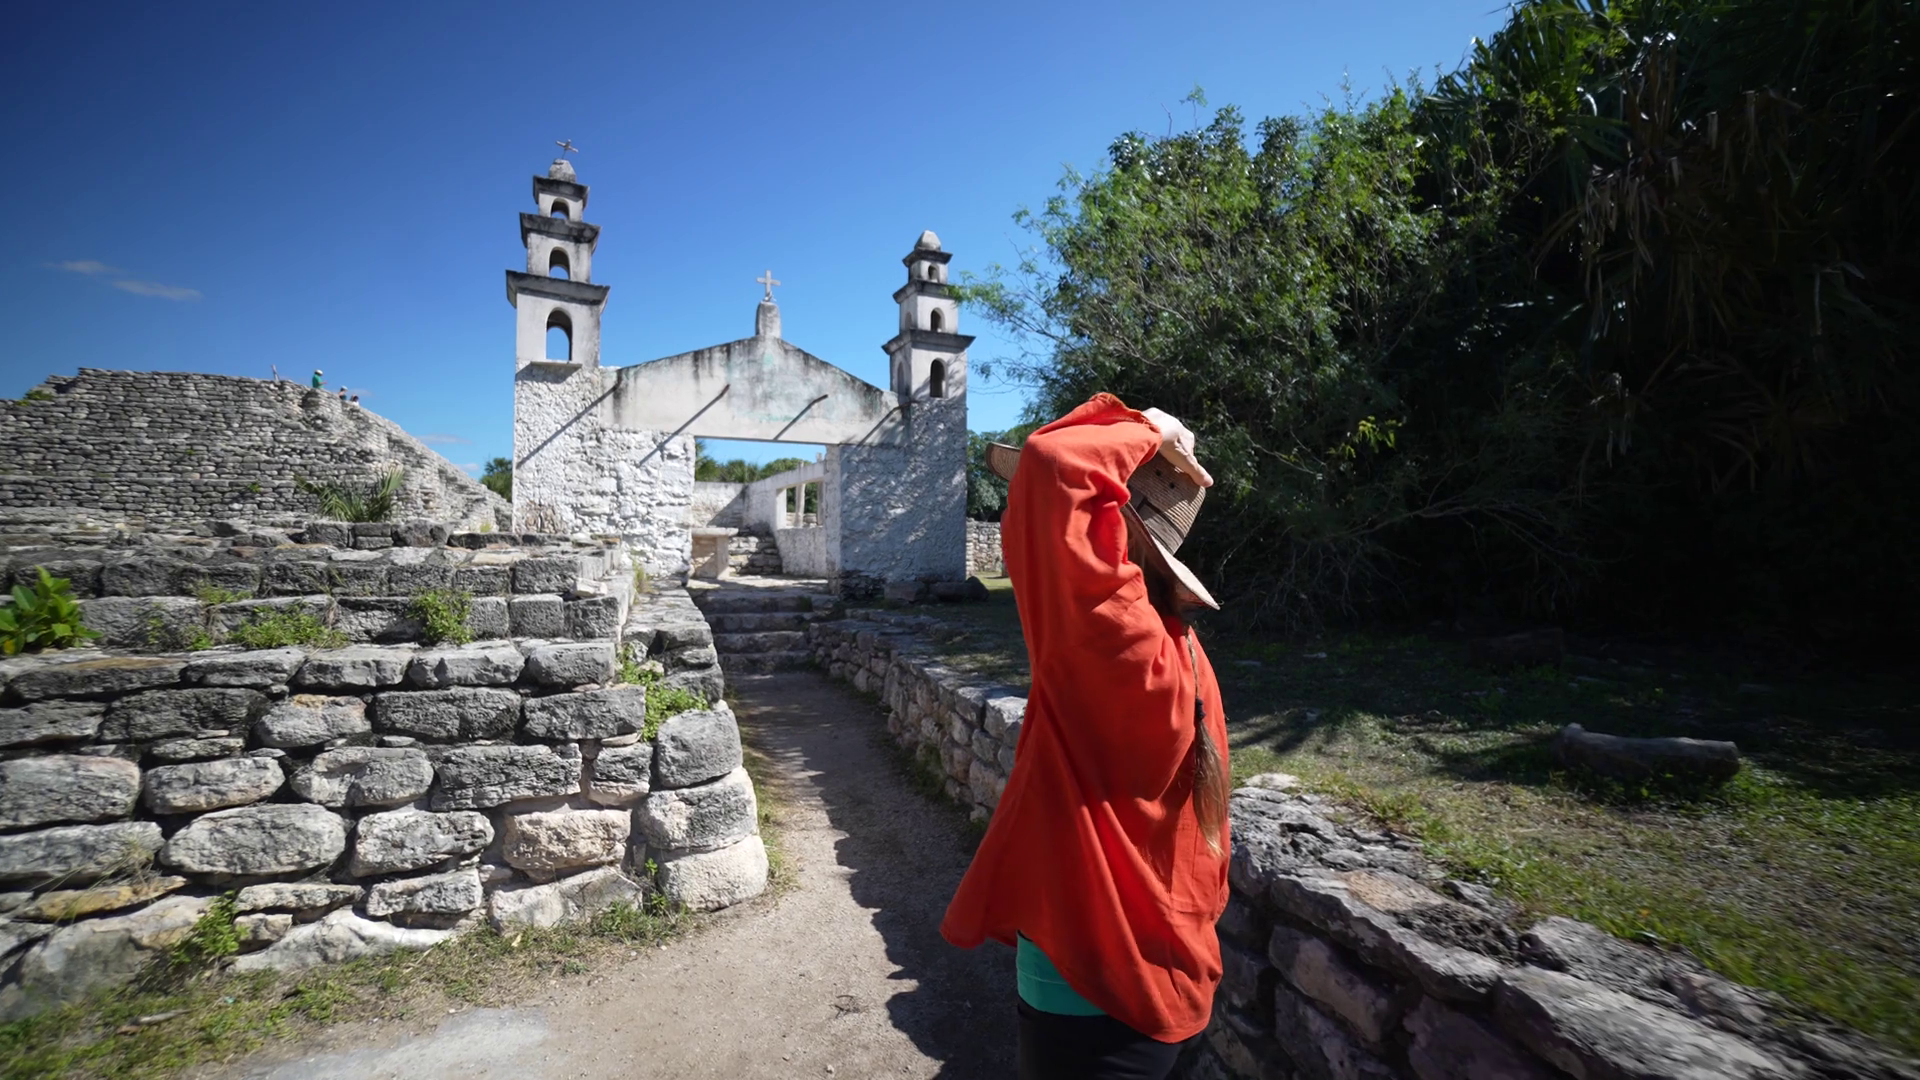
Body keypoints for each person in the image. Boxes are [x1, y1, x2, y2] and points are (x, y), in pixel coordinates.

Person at [941, 392, 1231, 1079]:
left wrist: (1149, 429)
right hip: (1167, 962)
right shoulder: (1175, 652)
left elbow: (1053, 463)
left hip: (1092, 982)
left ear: (1113, 537)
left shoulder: (1120, 650)